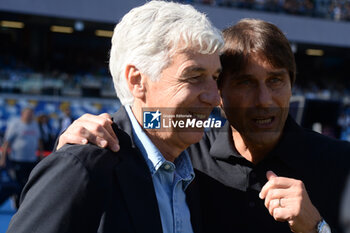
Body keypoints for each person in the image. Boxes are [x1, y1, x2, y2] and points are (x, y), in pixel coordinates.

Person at [58, 19, 350, 233]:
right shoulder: (187, 145)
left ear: (291, 85)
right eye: (245, 83)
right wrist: (85, 132)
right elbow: (141, 122)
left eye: (275, 81)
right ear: (218, 94)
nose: (264, 100)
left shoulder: (341, 162)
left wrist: (317, 228)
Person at [6, 1, 223, 233]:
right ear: (137, 81)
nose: (214, 97)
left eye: (215, 77)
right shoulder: (81, 167)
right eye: (194, 76)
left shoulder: (199, 173)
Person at [0, 107, 42, 208]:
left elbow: (39, 141)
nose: (30, 115)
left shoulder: (35, 125)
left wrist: (40, 155)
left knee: (28, 183)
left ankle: (24, 204)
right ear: (22, 114)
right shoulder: (16, 125)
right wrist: (3, 159)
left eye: (31, 113)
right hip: (17, 160)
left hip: (31, 160)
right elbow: (6, 143)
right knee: (18, 184)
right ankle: (18, 203)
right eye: (28, 113)